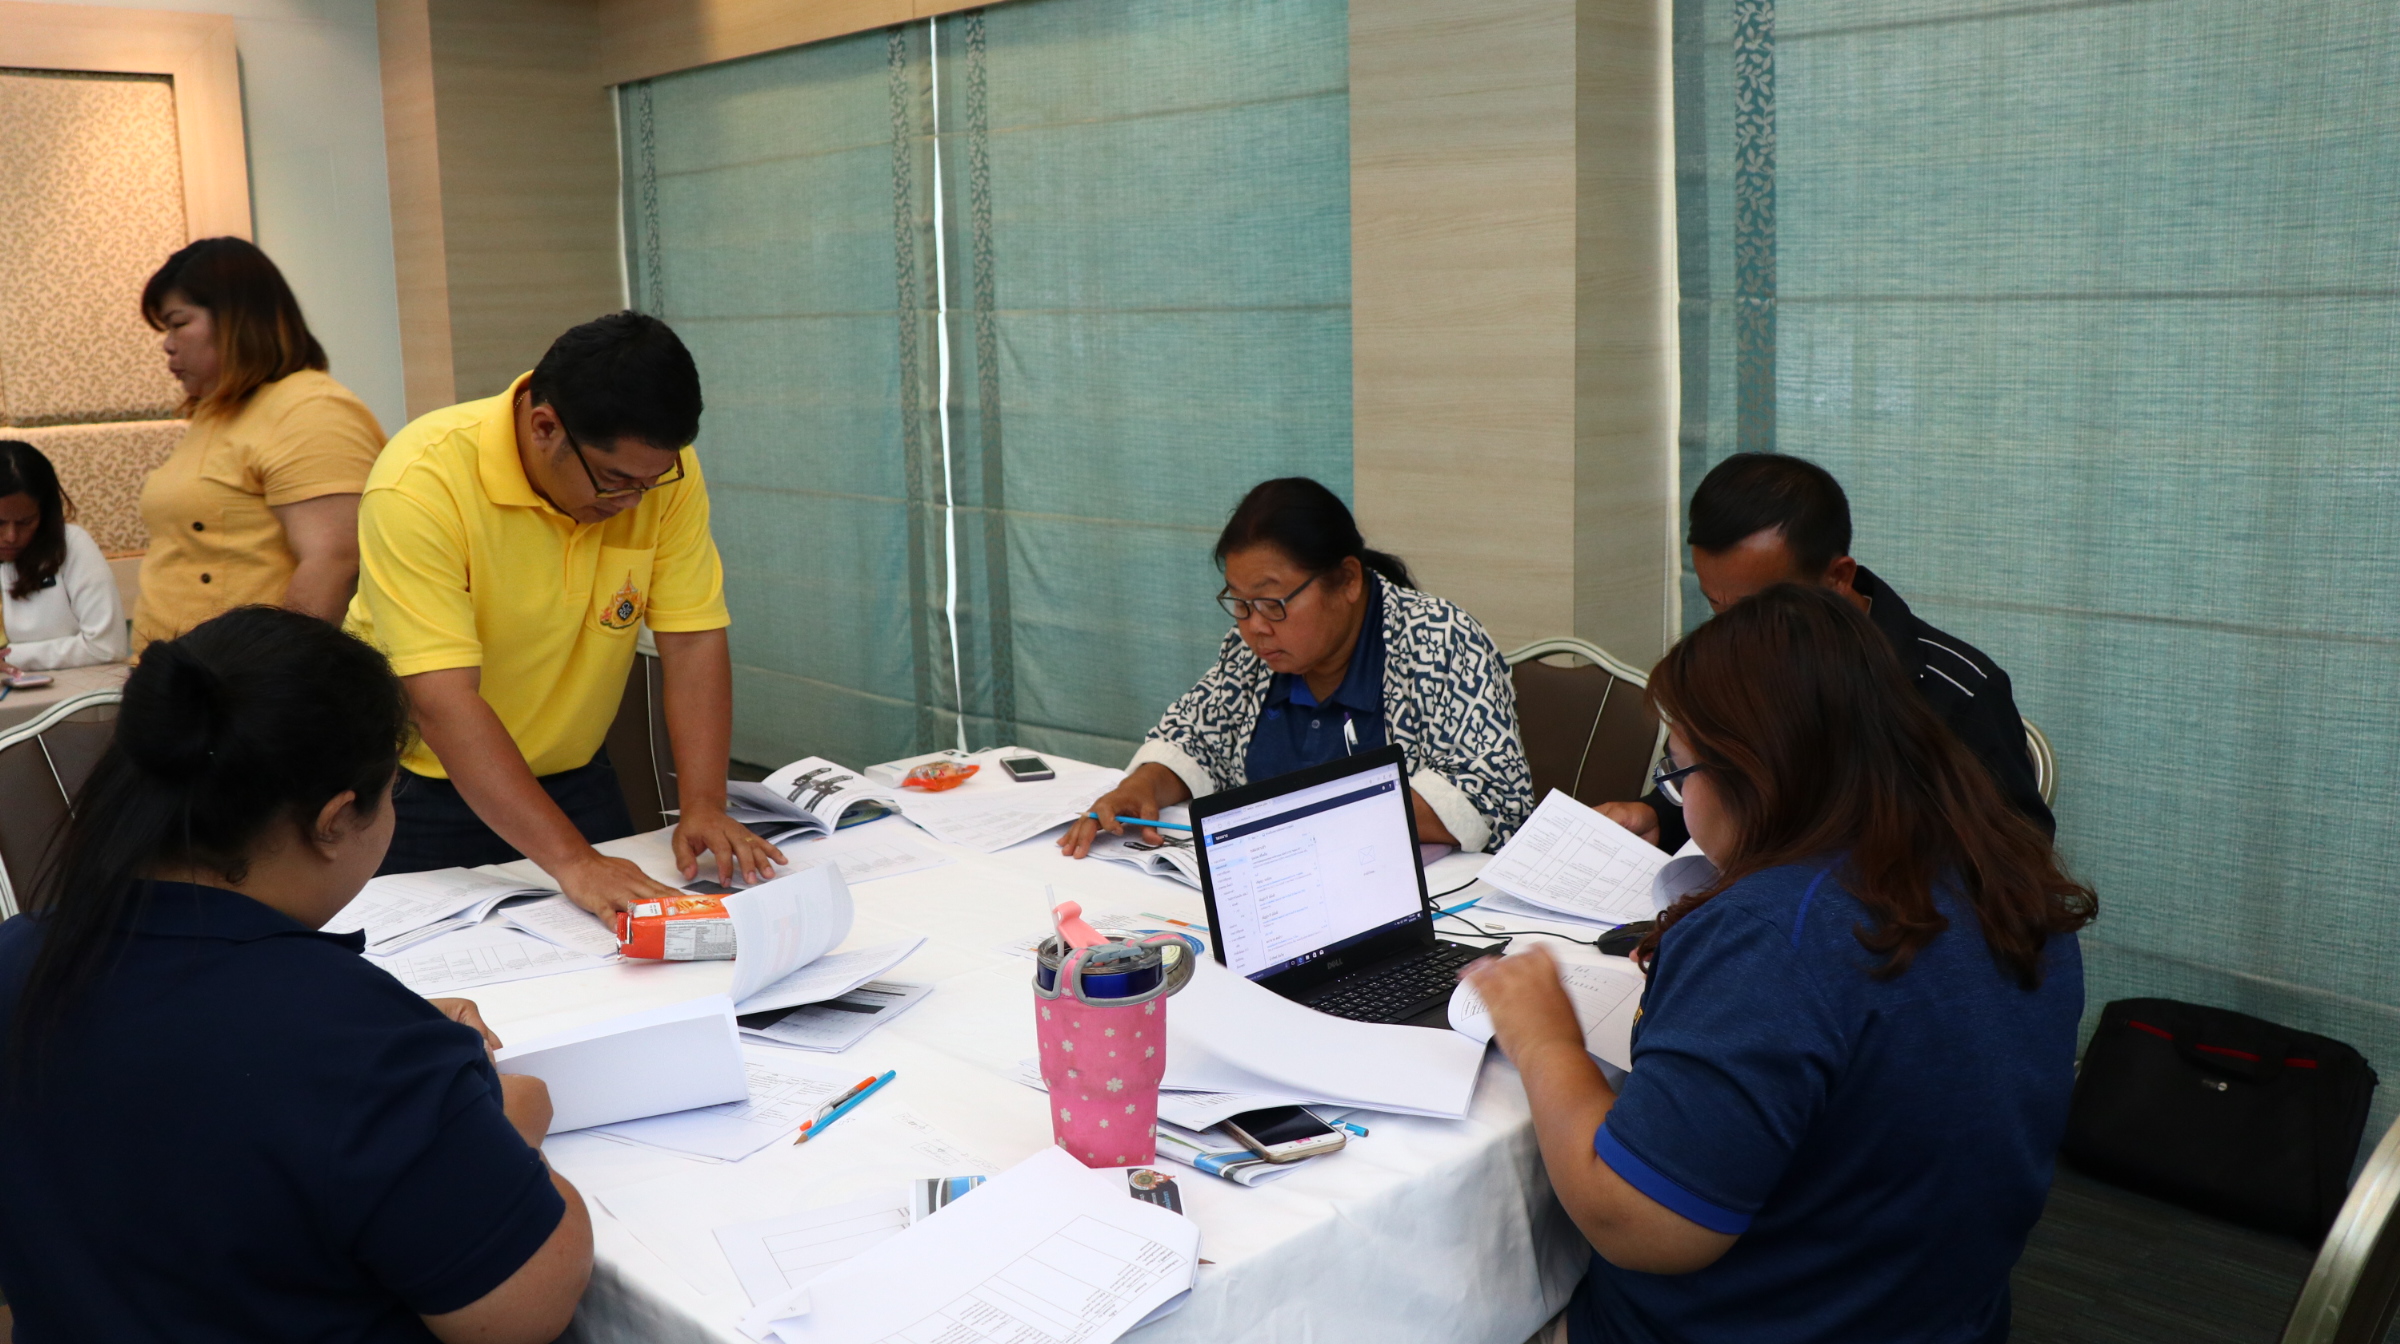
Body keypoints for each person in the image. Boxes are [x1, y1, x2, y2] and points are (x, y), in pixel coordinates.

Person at [1467, 585, 2094, 1344]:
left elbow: (1637, 1222)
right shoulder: (2007, 878)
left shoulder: (1773, 935)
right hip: (1938, 1314)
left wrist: (1544, 1036)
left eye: (1679, 773)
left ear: (1753, 776)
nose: (1679, 801)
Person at [0, 605, 592, 1343]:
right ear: (335, 818)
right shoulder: (354, 1038)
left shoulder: (19, 958)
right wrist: (493, 1116)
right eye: (392, 793)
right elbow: (523, 1311)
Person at [345, 311, 778, 916]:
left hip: (574, 775)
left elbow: (692, 639)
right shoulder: (420, 482)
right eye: (615, 480)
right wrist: (574, 862)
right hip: (417, 789)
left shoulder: (653, 476)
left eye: (651, 482)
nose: (633, 502)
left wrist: (704, 804)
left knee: (632, 943)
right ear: (545, 426)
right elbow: (442, 700)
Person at [1599, 453, 2053, 850]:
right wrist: (1659, 816)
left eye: (1755, 610)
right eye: (1715, 605)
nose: (1733, 633)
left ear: (1837, 577)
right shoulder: (1730, 661)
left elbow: (2015, 858)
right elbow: (1717, 781)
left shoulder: (1956, 690)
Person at [1062, 477, 1534, 858]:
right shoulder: (1252, 648)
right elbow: (1195, 741)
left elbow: (1492, 795)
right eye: (1239, 603)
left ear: (1347, 580)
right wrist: (1140, 787)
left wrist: (1306, 821)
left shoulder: (1440, 639)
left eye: (1273, 603)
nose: (1254, 627)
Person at [134, 238, 386, 646]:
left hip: (245, 676)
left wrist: (277, 670)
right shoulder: (216, 411)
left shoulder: (310, 409)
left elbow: (336, 561)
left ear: (237, 322)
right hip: (179, 670)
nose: (167, 344)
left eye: (178, 324)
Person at [0, 440, 127, 675]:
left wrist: (12, 657)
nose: (11, 536)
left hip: (68, 692)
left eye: (25, 522)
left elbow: (107, 647)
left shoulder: (72, 545)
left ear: (44, 513)